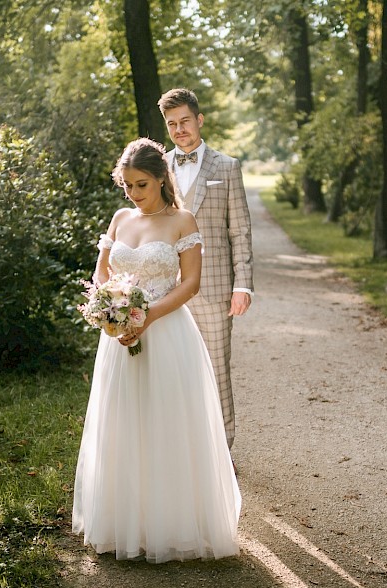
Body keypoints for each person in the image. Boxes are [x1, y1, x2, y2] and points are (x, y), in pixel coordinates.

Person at [72, 137, 241, 563]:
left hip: (167, 335)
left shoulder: (183, 221)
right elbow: (102, 271)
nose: (133, 194)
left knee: (165, 424)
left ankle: (172, 524)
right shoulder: (120, 218)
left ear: (162, 179)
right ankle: (125, 521)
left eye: (141, 184)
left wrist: (146, 316)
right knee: (123, 420)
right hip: (118, 339)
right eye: (127, 185)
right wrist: (111, 314)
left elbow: (190, 284)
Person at [157, 88, 253, 450]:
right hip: (166, 290)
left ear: (199, 120)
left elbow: (239, 230)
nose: (179, 129)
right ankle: (182, 449)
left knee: (216, 371)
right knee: (171, 372)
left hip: (213, 289)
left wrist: (243, 285)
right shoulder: (158, 168)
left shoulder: (226, 167)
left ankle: (222, 449)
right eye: (172, 124)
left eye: (184, 121)